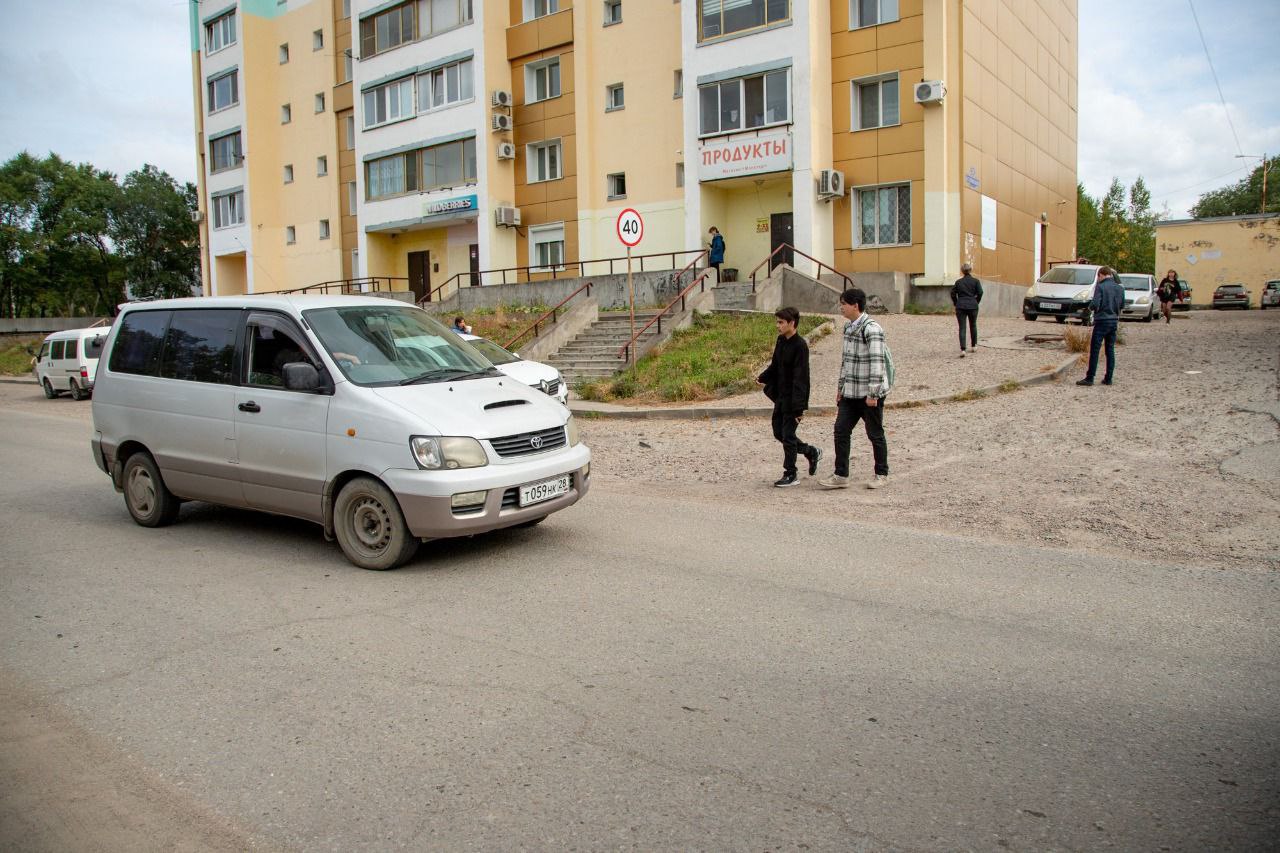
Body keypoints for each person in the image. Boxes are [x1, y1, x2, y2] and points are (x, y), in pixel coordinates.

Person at [818, 288, 890, 490]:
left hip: (868, 394)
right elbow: (846, 361)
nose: (841, 307)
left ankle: (881, 473)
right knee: (841, 430)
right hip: (850, 392)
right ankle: (841, 474)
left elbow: (877, 362)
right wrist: (840, 388)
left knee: (875, 433)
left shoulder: (872, 329)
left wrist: (873, 393)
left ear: (855, 305)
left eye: (843, 304)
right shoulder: (849, 328)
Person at [757, 307, 820, 488]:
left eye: (781, 322)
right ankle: (810, 451)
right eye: (777, 322)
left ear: (792, 323)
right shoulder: (781, 340)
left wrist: (799, 408)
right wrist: (762, 377)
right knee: (779, 433)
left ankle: (790, 473)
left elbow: (802, 378)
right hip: (781, 396)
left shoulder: (800, 346)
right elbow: (775, 365)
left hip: (794, 400)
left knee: (789, 435)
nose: (778, 326)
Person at [1077, 266, 1126, 387]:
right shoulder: (1119, 288)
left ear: (1101, 275)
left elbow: (1095, 303)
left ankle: (1090, 377)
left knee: (1095, 349)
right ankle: (1108, 378)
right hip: (1114, 321)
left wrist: (1089, 309)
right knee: (1110, 350)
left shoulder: (1101, 286)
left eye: (1098, 277)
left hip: (1102, 320)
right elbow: (1122, 305)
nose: (1098, 280)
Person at [951, 262, 984, 357]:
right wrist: (976, 301)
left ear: (962, 271)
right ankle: (974, 346)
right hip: (973, 305)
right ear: (970, 270)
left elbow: (952, 293)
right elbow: (981, 292)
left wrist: (956, 302)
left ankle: (963, 350)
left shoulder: (958, 282)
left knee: (962, 327)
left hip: (961, 306)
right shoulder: (976, 281)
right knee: (973, 325)